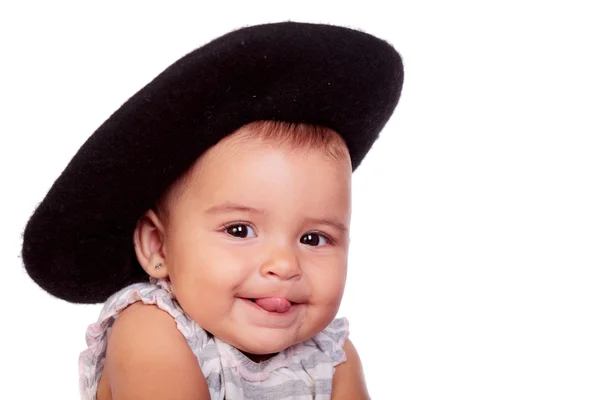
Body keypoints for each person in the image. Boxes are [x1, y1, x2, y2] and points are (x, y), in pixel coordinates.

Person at [21, 21, 403, 399]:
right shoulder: (153, 329)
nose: (285, 265)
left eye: (313, 238)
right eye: (240, 230)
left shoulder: (331, 356)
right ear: (158, 247)